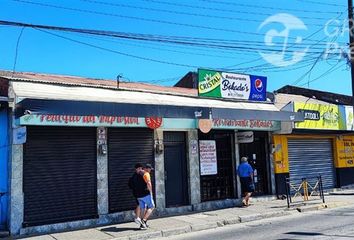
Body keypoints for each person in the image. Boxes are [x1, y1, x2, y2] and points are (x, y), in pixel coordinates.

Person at [137, 163, 155, 229]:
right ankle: (144, 221)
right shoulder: (146, 174)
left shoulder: (138, 174)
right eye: (150, 169)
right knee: (152, 206)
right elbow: (149, 183)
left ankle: (142, 225)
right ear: (147, 168)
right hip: (145, 194)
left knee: (143, 208)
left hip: (138, 195)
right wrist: (151, 192)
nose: (150, 171)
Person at [128, 163, 144, 227]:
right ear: (136, 169)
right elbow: (132, 185)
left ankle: (139, 219)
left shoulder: (141, 175)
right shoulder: (135, 176)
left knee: (141, 205)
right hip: (138, 193)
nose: (140, 170)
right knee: (140, 205)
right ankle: (137, 218)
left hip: (141, 193)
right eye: (139, 168)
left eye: (141, 168)